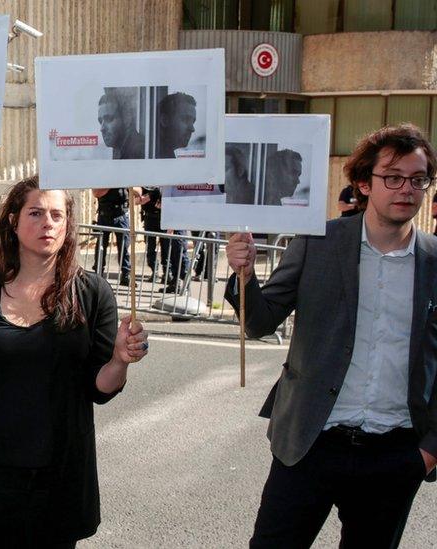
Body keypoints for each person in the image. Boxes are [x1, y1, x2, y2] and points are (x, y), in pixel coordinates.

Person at [225, 124, 437, 548]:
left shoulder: (434, 261)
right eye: (392, 177)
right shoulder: (317, 242)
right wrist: (244, 275)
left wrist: (428, 450)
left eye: (418, 180)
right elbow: (261, 322)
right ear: (363, 182)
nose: (406, 190)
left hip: (395, 454)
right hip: (310, 443)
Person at [0, 175, 149, 548]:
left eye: (56, 215)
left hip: (57, 486)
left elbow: (100, 387)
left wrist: (119, 360)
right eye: (35, 213)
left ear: (68, 225)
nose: (47, 223)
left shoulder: (93, 293)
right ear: (13, 222)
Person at [91, 187, 131, 284]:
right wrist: (113, 183)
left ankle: (126, 274)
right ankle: (98, 273)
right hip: (105, 214)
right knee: (101, 246)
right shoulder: (103, 176)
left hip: (121, 214)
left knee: (124, 246)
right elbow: (96, 192)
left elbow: (138, 191)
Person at [98, 88, 145, 159]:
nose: (102, 128)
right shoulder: (119, 148)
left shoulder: (137, 150)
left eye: (109, 119)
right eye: (100, 121)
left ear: (127, 119)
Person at [155, 92, 197, 159]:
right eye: (186, 119)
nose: (192, 129)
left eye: (193, 122)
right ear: (164, 120)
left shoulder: (164, 154)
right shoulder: (150, 152)